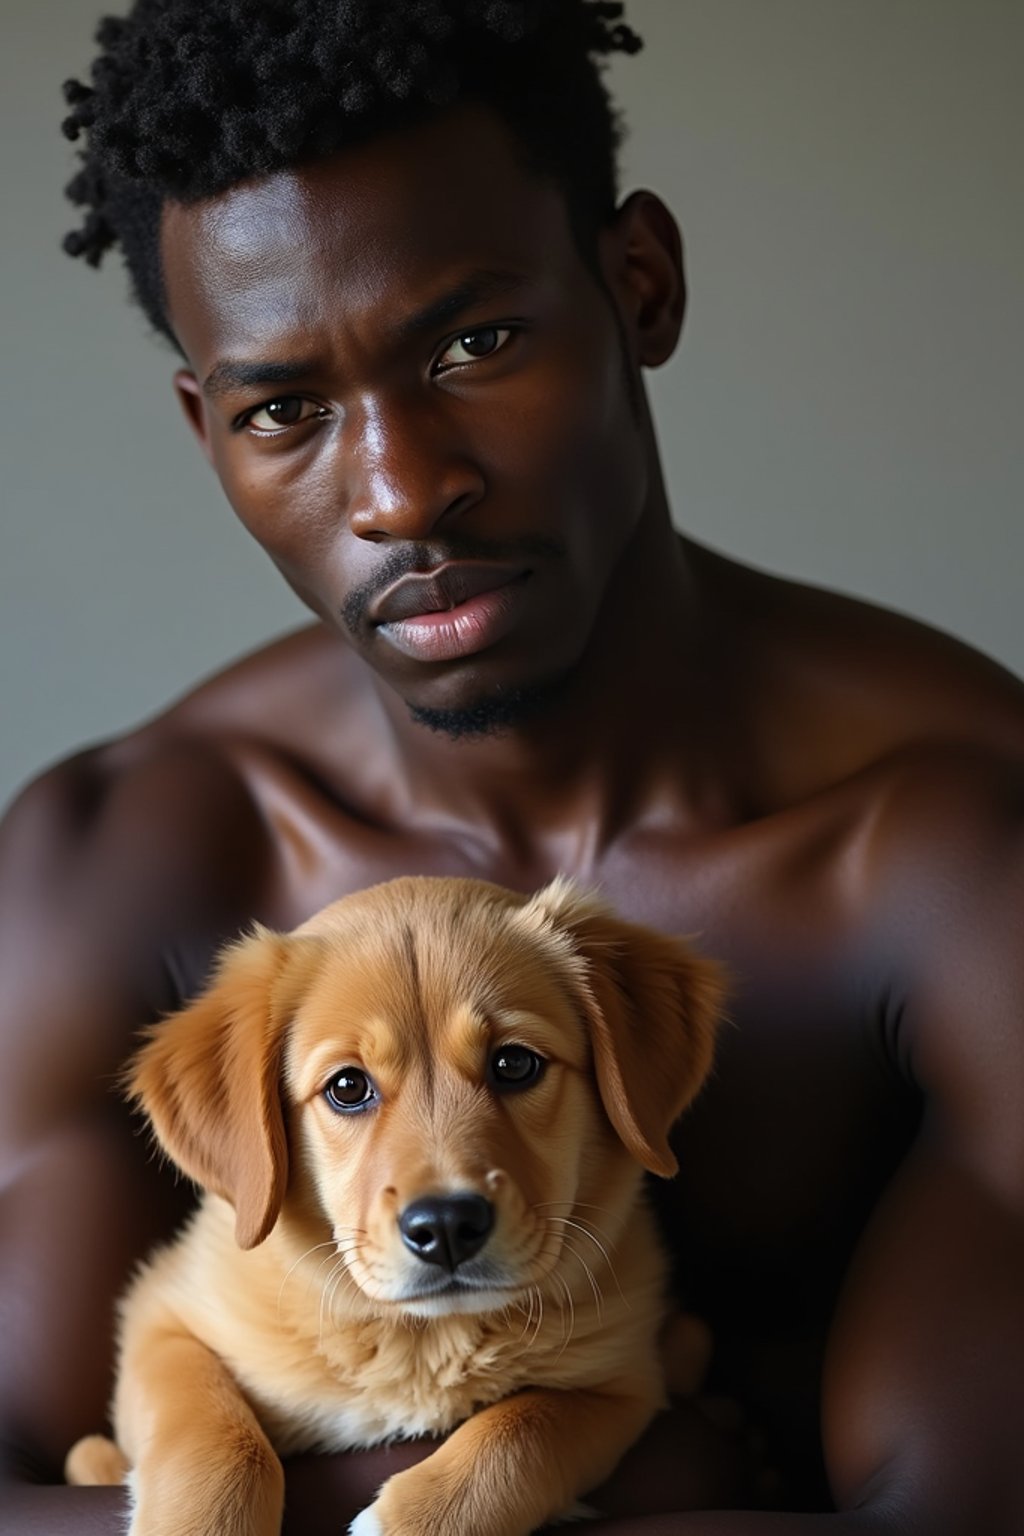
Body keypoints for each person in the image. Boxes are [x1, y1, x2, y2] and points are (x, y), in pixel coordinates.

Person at [2, 1, 1023, 1531]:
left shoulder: (959, 843)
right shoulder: (119, 854)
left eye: (475, 343)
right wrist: (623, 1480)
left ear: (639, 287)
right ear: (204, 431)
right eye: (286, 410)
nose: (405, 492)